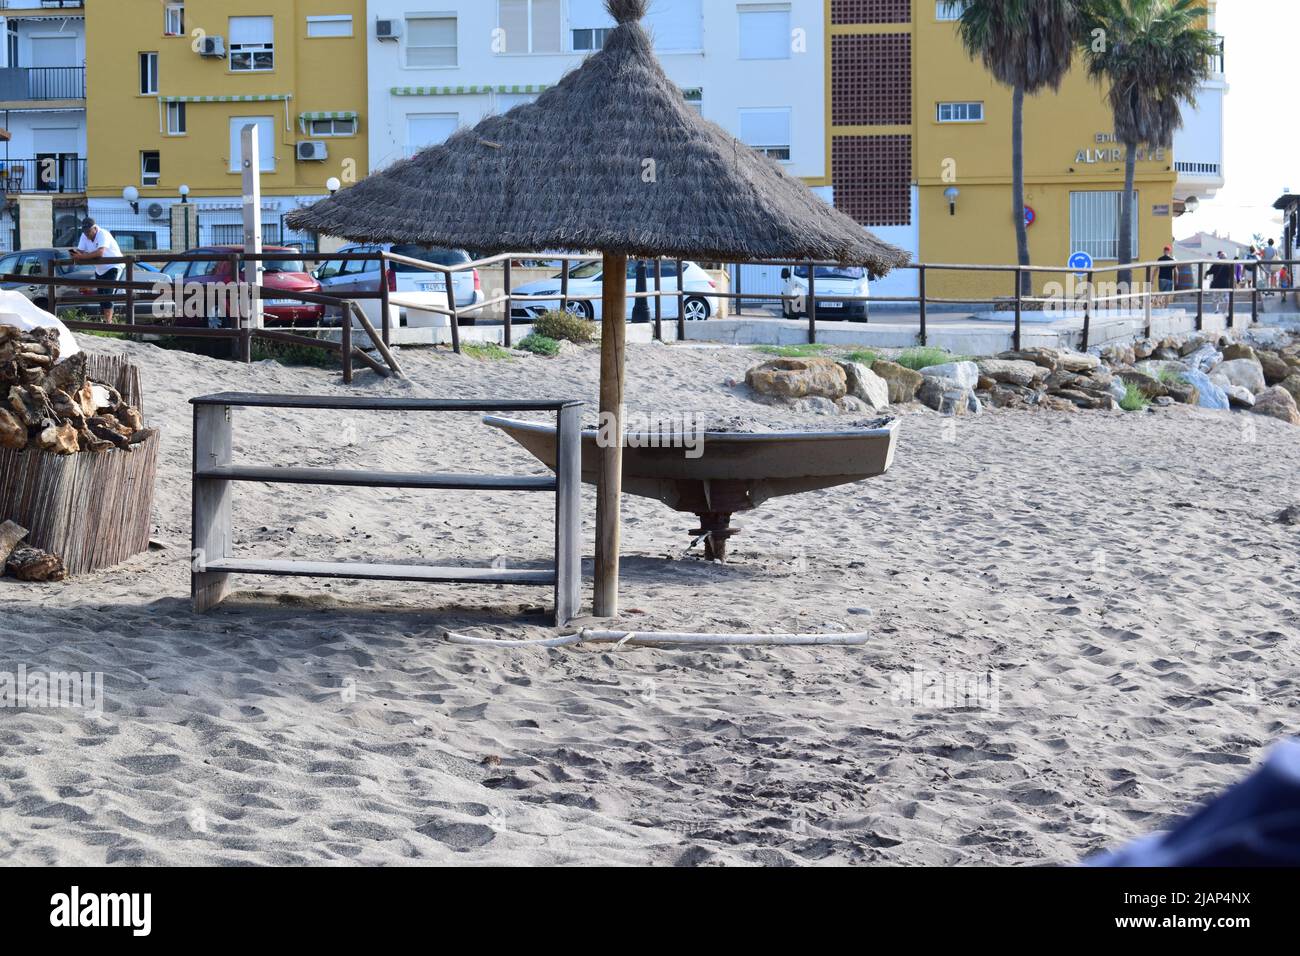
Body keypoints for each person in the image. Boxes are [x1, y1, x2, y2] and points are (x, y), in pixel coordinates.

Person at [70, 218, 124, 323]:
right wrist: (74, 254)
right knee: (101, 296)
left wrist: (80, 257)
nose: (87, 234)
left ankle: (109, 323)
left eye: (89, 231)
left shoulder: (103, 234)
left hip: (113, 266)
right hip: (100, 268)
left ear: (95, 228)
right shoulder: (84, 236)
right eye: (85, 232)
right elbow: (79, 251)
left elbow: (100, 253)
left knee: (108, 295)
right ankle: (106, 321)